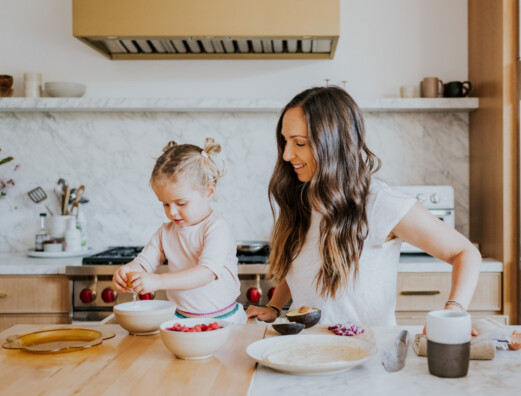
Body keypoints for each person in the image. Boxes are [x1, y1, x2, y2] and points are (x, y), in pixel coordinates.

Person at [246, 86, 482, 327]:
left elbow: (465, 253)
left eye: (300, 143)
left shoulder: (380, 203)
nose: (286, 154)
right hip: (306, 350)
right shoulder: (303, 196)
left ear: (333, 144)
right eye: (285, 141)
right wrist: (275, 305)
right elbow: (304, 266)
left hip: (367, 355)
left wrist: (453, 312)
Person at [113, 138, 247, 324]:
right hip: (179, 320)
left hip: (225, 320)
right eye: (165, 204)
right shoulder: (165, 232)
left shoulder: (217, 228)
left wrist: (158, 281)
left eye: (181, 203)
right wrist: (128, 271)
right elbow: (144, 263)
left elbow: (205, 273)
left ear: (209, 191)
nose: (172, 212)